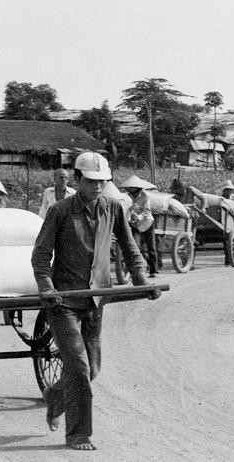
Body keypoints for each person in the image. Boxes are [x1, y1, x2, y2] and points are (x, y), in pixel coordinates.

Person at [32, 152, 159, 452]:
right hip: (63, 302)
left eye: (102, 181)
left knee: (93, 369)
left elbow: (130, 247)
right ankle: (78, 434)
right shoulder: (60, 211)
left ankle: (54, 397)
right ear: (77, 179)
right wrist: (47, 288)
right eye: (91, 181)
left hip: (95, 300)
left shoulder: (113, 208)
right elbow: (41, 256)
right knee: (78, 367)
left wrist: (142, 281)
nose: (98, 187)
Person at [121, 175, 158, 279]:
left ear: (138, 188)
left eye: (133, 188)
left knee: (151, 248)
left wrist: (139, 216)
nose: (131, 189)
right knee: (135, 247)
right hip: (134, 224)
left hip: (147, 223)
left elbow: (146, 211)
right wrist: (129, 216)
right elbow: (126, 209)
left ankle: (153, 271)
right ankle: (138, 270)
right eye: (130, 188)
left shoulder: (145, 196)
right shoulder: (127, 197)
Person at [218, 180, 234, 267]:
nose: (229, 192)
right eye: (228, 190)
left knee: (230, 242)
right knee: (226, 242)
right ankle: (228, 260)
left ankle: (231, 259)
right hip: (223, 222)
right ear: (224, 191)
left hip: (231, 223)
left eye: (230, 190)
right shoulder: (220, 199)